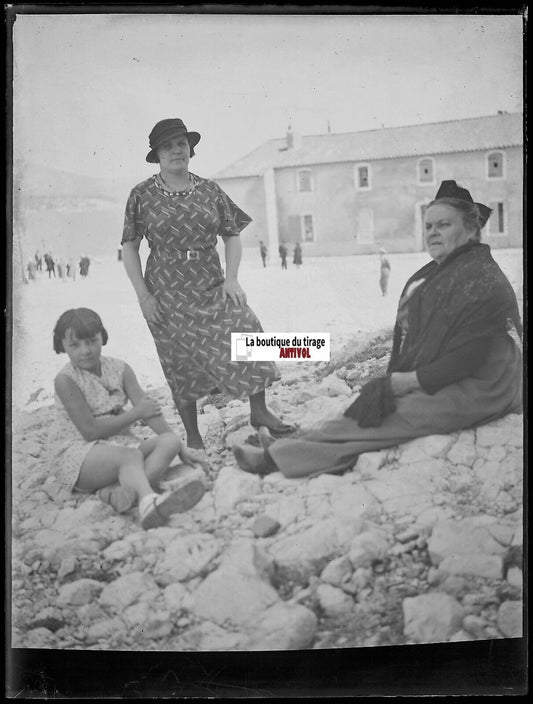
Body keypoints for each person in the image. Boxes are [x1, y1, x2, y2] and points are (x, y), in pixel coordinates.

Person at [232, 180, 522, 479]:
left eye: (444, 225)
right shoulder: (457, 269)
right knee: (374, 406)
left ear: (472, 230)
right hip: (464, 373)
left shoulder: (479, 279)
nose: (433, 232)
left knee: (390, 414)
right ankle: (297, 447)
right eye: (428, 226)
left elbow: (469, 356)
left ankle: (276, 459)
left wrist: (403, 382)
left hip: (485, 383)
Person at [121, 118, 292, 449]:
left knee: (247, 327)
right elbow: (130, 247)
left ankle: (260, 411)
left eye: (181, 144)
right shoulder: (141, 195)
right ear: (156, 153)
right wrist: (144, 297)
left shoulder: (210, 190)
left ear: (190, 149)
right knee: (178, 360)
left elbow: (232, 235)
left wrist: (232, 279)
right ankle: (194, 436)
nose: (176, 150)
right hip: (165, 294)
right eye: (168, 145)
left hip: (211, 285)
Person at [49, 308, 207, 530]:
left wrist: (182, 449)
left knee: (170, 441)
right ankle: (149, 502)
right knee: (130, 456)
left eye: (92, 341)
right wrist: (135, 413)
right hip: (80, 453)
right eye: (75, 345)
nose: (85, 351)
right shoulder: (65, 380)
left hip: (120, 446)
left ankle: (117, 493)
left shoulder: (120, 368)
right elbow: (90, 431)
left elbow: (148, 410)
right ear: (62, 346)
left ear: (102, 337)